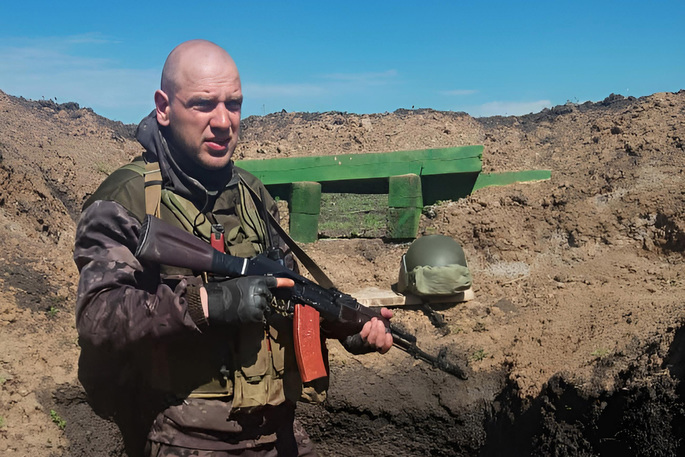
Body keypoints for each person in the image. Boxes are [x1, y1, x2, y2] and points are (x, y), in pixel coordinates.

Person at [73, 39, 393, 457]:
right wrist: (207, 303)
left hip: (279, 430)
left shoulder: (252, 194)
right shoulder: (128, 198)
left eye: (234, 104)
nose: (223, 121)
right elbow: (97, 316)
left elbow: (287, 296)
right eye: (204, 104)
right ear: (164, 108)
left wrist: (346, 328)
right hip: (183, 438)